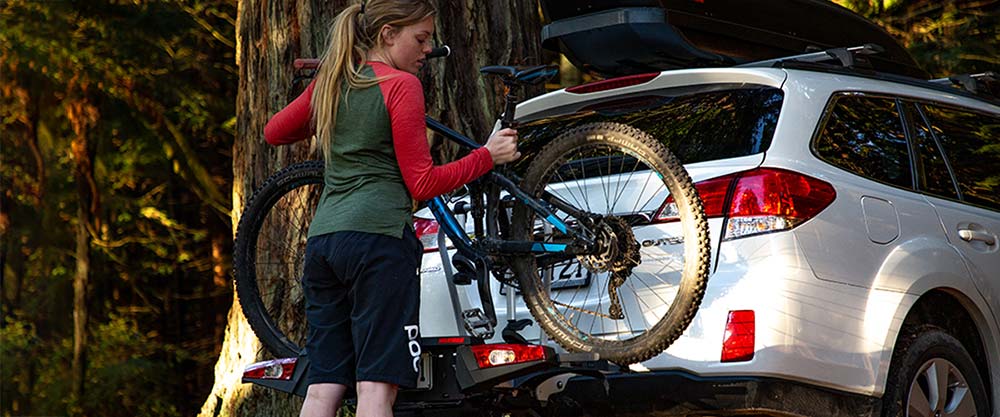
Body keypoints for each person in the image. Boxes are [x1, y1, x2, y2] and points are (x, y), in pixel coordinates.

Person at [263, 1, 520, 416]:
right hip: (378, 243)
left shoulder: (331, 83)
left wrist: (332, 82)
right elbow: (422, 183)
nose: (427, 49)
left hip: (324, 244)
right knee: (376, 390)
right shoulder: (400, 86)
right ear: (387, 34)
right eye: (420, 38)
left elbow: (274, 132)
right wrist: (488, 155)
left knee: (322, 388)